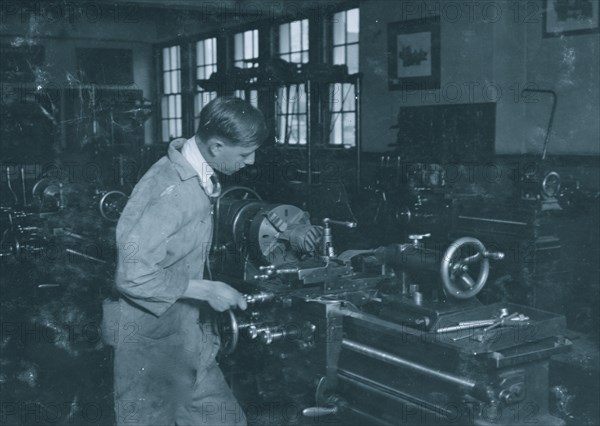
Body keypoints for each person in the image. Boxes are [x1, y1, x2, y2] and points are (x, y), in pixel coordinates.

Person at [104, 97, 267, 426]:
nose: (251, 161)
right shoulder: (171, 189)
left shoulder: (197, 175)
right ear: (217, 146)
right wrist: (207, 290)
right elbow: (132, 275)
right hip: (149, 347)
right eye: (245, 153)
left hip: (189, 339)